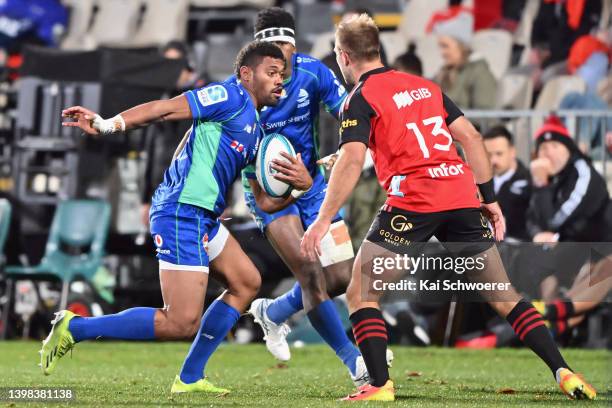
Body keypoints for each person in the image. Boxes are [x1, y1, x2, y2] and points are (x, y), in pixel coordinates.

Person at [301, 14, 596, 401]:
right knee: (503, 294)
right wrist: (489, 199)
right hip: (459, 194)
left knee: (362, 292)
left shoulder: (360, 98)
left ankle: (378, 385)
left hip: (415, 200)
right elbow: (471, 137)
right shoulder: (425, 86)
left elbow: (353, 161)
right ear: (377, 49)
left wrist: (322, 219)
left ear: (343, 57)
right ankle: (564, 372)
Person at [40, 41, 311, 395]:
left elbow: (265, 201)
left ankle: (189, 379)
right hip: (182, 211)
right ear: (246, 74)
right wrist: (109, 125)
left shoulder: (256, 131)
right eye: (272, 73)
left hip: (204, 217)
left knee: (245, 282)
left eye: (283, 75)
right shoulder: (228, 96)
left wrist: (298, 188)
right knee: (180, 321)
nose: (280, 82)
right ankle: (75, 329)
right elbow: (165, 110)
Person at [231, 7, 387, 386]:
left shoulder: (314, 73)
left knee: (338, 279)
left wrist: (334, 159)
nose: (281, 56)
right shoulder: (243, 87)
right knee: (310, 274)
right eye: (272, 48)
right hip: (268, 194)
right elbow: (233, 152)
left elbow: (352, 116)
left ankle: (273, 312)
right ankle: (355, 362)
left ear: (294, 44)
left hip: (314, 186)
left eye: (287, 45)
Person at [429, 7, 497, 109]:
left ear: (461, 46)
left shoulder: (479, 72)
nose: (442, 53)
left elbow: (484, 115)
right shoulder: (443, 72)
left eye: (445, 46)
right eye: (441, 47)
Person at [483, 125, 531, 242]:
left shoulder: (531, 182)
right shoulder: (478, 181)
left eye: (499, 154)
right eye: (489, 155)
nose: (493, 160)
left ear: (512, 152)